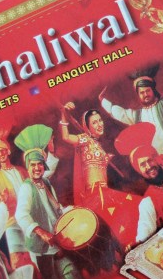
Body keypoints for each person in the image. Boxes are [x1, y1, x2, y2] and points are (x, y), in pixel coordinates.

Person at [60, 104, 141, 252]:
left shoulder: (97, 144)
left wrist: (106, 158)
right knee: (126, 214)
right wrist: (63, 114)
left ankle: (132, 245)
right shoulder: (84, 139)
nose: (99, 124)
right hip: (96, 194)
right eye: (95, 122)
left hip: (104, 192)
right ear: (87, 127)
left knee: (135, 208)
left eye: (100, 120)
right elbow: (66, 137)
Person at [98, 56, 163, 170]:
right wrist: (103, 101)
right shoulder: (137, 116)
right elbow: (119, 113)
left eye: (147, 91)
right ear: (138, 95)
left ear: (153, 91)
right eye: (142, 92)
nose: (145, 94)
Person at [14, 124, 80, 279]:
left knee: (71, 275)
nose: (37, 168)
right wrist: (41, 232)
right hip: (41, 248)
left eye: (40, 164)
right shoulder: (26, 188)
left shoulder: (46, 183)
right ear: (27, 167)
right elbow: (21, 214)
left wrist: (71, 211)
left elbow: (56, 208)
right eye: (33, 165)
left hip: (57, 240)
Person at [0, 128, 58, 270]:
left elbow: (42, 176)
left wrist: (51, 153)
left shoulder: (23, 170)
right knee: (23, 267)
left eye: (2, 150)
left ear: (8, 151)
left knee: (42, 261)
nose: (0, 154)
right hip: (13, 227)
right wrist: (3, 203)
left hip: (33, 220)